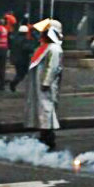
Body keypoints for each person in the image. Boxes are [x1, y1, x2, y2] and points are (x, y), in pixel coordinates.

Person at [25, 19, 64, 151]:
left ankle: (47, 137)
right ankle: (44, 135)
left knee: (47, 110)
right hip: (40, 84)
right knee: (42, 110)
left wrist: (46, 82)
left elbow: (52, 67)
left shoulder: (54, 48)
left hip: (46, 86)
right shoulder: (46, 46)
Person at [8, 25, 35, 92]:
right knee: (21, 74)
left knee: (20, 73)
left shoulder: (14, 38)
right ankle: (13, 84)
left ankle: (14, 84)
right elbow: (29, 49)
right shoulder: (25, 40)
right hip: (23, 60)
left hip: (15, 59)